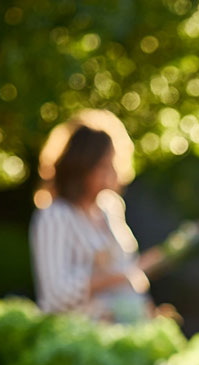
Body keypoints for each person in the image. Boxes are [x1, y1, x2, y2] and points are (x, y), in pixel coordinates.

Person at [30, 111, 163, 323]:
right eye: (103, 165)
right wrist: (125, 274)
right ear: (81, 167)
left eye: (113, 163)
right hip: (79, 337)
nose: (112, 171)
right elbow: (56, 296)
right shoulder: (55, 216)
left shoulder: (110, 208)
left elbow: (127, 274)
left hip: (125, 330)